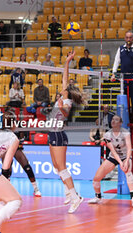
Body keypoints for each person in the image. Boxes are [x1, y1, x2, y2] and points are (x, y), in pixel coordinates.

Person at [46, 51, 87, 213]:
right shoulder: (64, 95)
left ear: (67, 93)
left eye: (64, 89)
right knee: (56, 167)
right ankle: (68, 193)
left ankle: (76, 197)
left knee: (62, 168)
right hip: (52, 132)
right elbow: (65, 76)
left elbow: (65, 115)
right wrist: (67, 61)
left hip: (58, 134)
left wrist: (61, 105)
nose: (62, 89)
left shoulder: (67, 101)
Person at [88, 115, 133, 207]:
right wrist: (120, 163)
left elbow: (129, 148)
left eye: (116, 120)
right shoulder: (107, 134)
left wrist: (127, 160)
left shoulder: (125, 133)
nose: (113, 121)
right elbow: (112, 151)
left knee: (128, 171)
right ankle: (98, 197)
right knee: (96, 178)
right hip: (113, 156)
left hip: (125, 156)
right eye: (112, 119)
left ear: (120, 123)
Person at [112, 31, 133, 124]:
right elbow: (116, 61)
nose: (128, 39)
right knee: (124, 97)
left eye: (130, 37)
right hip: (123, 77)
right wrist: (114, 73)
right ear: (125, 38)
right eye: (127, 37)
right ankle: (124, 117)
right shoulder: (121, 48)